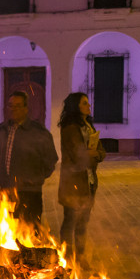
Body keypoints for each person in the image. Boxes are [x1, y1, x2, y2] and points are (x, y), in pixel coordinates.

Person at [0, 91, 57, 228]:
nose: (13, 108)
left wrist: (34, 179)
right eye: (10, 105)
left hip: (29, 192)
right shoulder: (0, 130)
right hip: (6, 191)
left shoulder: (38, 132)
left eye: (18, 105)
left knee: (30, 234)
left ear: (26, 108)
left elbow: (50, 161)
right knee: (7, 234)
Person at [56, 92, 106, 265]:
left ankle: (81, 256)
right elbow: (78, 156)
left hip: (89, 180)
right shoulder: (70, 127)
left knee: (83, 222)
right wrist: (92, 154)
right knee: (70, 221)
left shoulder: (88, 126)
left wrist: (95, 154)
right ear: (75, 106)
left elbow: (101, 151)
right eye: (84, 103)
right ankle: (67, 256)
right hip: (74, 182)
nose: (88, 105)